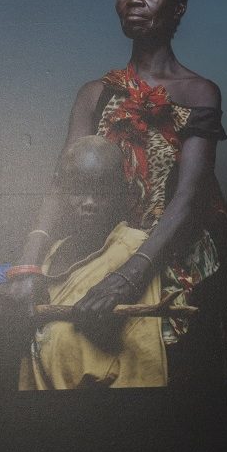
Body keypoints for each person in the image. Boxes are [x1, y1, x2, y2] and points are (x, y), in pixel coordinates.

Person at [3, 0, 227, 388]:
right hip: (100, 252)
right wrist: (28, 266)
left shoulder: (199, 92)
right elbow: (61, 183)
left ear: (177, 5)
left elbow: (188, 197)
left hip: (167, 256)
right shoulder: (95, 95)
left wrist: (129, 275)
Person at [17, 136, 168, 389]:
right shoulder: (53, 252)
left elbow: (143, 368)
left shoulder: (133, 249)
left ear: (122, 192)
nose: (89, 202)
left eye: (101, 190)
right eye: (78, 189)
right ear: (61, 190)